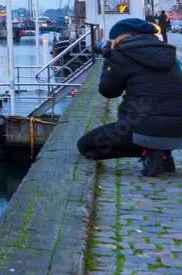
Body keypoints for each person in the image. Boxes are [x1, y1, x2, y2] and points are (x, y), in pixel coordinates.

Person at [78, 18, 182, 176]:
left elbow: (108, 91)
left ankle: (148, 151)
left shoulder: (122, 54)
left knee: (86, 147)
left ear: (120, 38)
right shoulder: (168, 54)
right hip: (177, 128)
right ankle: (164, 153)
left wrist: (108, 59)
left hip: (140, 126)